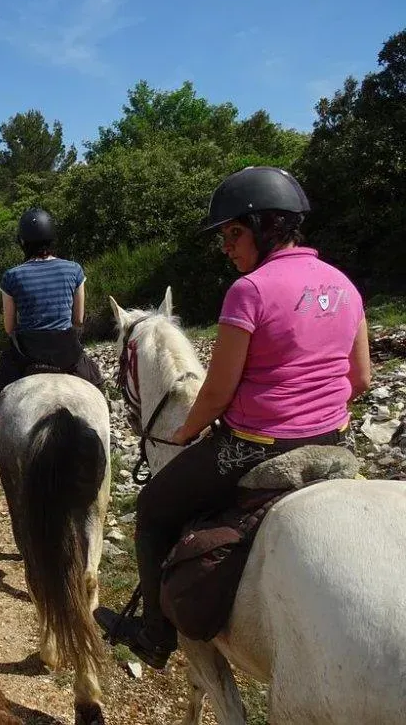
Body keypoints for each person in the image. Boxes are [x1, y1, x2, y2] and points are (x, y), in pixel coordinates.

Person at [94, 166, 371, 669]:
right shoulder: (344, 285)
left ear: (269, 227)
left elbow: (218, 392)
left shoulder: (250, 291)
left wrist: (185, 431)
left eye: (234, 233)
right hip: (332, 438)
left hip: (253, 446)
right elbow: (361, 378)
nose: (226, 247)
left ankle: (154, 635)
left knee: (153, 508)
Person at [0, 207, 104, 464]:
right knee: (97, 382)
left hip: (27, 353)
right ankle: (106, 436)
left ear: (22, 242)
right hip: (66, 351)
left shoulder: (12, 276)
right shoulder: (74, 270)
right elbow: (78, 319)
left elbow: (9, 327)